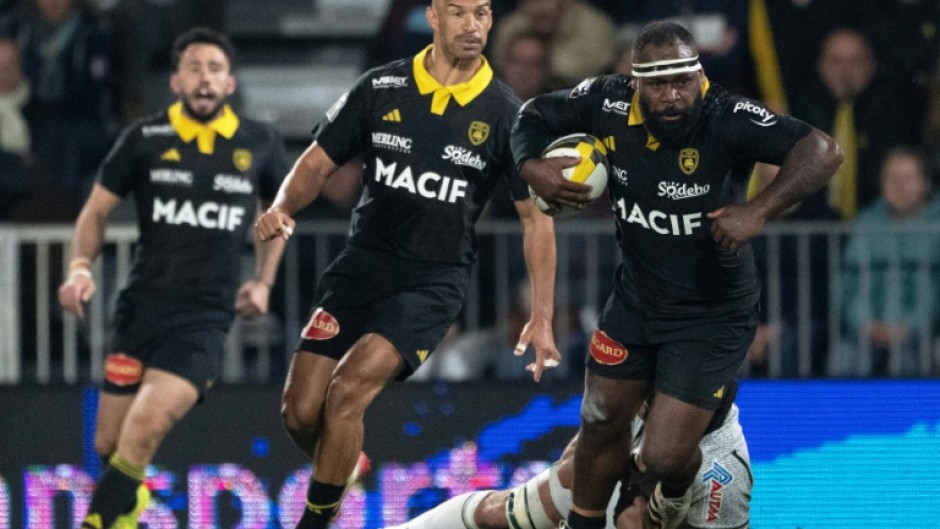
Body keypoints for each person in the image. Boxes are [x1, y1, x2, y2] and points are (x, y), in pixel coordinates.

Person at [512, 20, 841, 529]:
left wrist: (759, 210)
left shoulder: (727, 116)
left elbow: (823, 150)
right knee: (600, 419)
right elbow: (532, 113)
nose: (672, 96)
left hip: (713, 313)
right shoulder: (606, 101)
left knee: (663, 458)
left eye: (683, 81)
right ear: (634, 82)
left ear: (700, 75)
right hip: (638, 301)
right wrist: (531, 166)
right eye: (658, 84)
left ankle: (680, 485)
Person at [253, 2, 560, 529]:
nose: (472, 25)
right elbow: (317, 163)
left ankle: (314, 523)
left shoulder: (509, 115)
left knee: (347, 392)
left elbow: (536, 221)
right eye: (458, 12)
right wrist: (282, 206)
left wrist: (542, 314)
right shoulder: (381, 87)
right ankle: (345, 464)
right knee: (300, 412)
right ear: (433, 17)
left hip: (432, 282)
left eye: (483, 13)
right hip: (361, 268)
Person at [57, 27, 287, 529]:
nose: (205, 78)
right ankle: (128, 503)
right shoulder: (143, 139)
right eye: (194, 68)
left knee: (147, 422)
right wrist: (79, 269)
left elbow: (276, 219)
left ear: (229, 83)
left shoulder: (260, 144)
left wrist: (264, 281)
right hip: (140, 309)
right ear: (177, 81)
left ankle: (95, 520)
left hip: (204, 316)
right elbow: (94, 213)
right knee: (110, 445)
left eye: (215, 69)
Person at [380, 380, 750, 529]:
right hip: (611, 499)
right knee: (501, 513)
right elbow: (575, 463)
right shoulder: (644, 390)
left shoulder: (723, 476)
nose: (639, 410)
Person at [830, 146, 940, 377]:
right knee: (842, 357)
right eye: (892, 178)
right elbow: (851, 282)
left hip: (924, 332)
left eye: (908, 178)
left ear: (925, 183)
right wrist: (866, 324)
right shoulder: (866, 221)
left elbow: (934, 290)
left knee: (911, 361)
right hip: (867, 331)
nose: (900, 186)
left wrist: (909, 328)